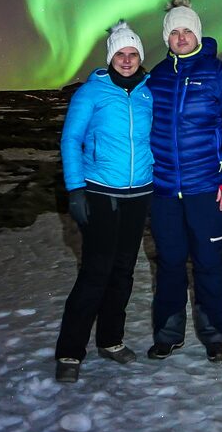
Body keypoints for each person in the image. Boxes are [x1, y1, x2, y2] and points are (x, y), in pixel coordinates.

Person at [145, 0, 222, 363]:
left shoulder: (219, 74)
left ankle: (214, 335)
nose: (181, 37)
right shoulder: (155, 78)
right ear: (167, 37)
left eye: (187, 30)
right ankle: (168, 334)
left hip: (206, 188)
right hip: (163, 192)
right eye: (174, 32)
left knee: (208, 262)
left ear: (198, 33)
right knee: (170, 263)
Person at [54, 21, 155, 383]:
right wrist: (75, 189)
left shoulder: (148, 92)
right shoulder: (91, 93)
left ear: (140, 57)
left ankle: (111, 341)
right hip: (99, 192)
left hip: (139, 193)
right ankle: (69, 351)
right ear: (110, 56)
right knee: (96, 273)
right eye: (120, 54)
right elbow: (71, 141)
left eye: (133, 54)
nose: (127, 61)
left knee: (123, 272)